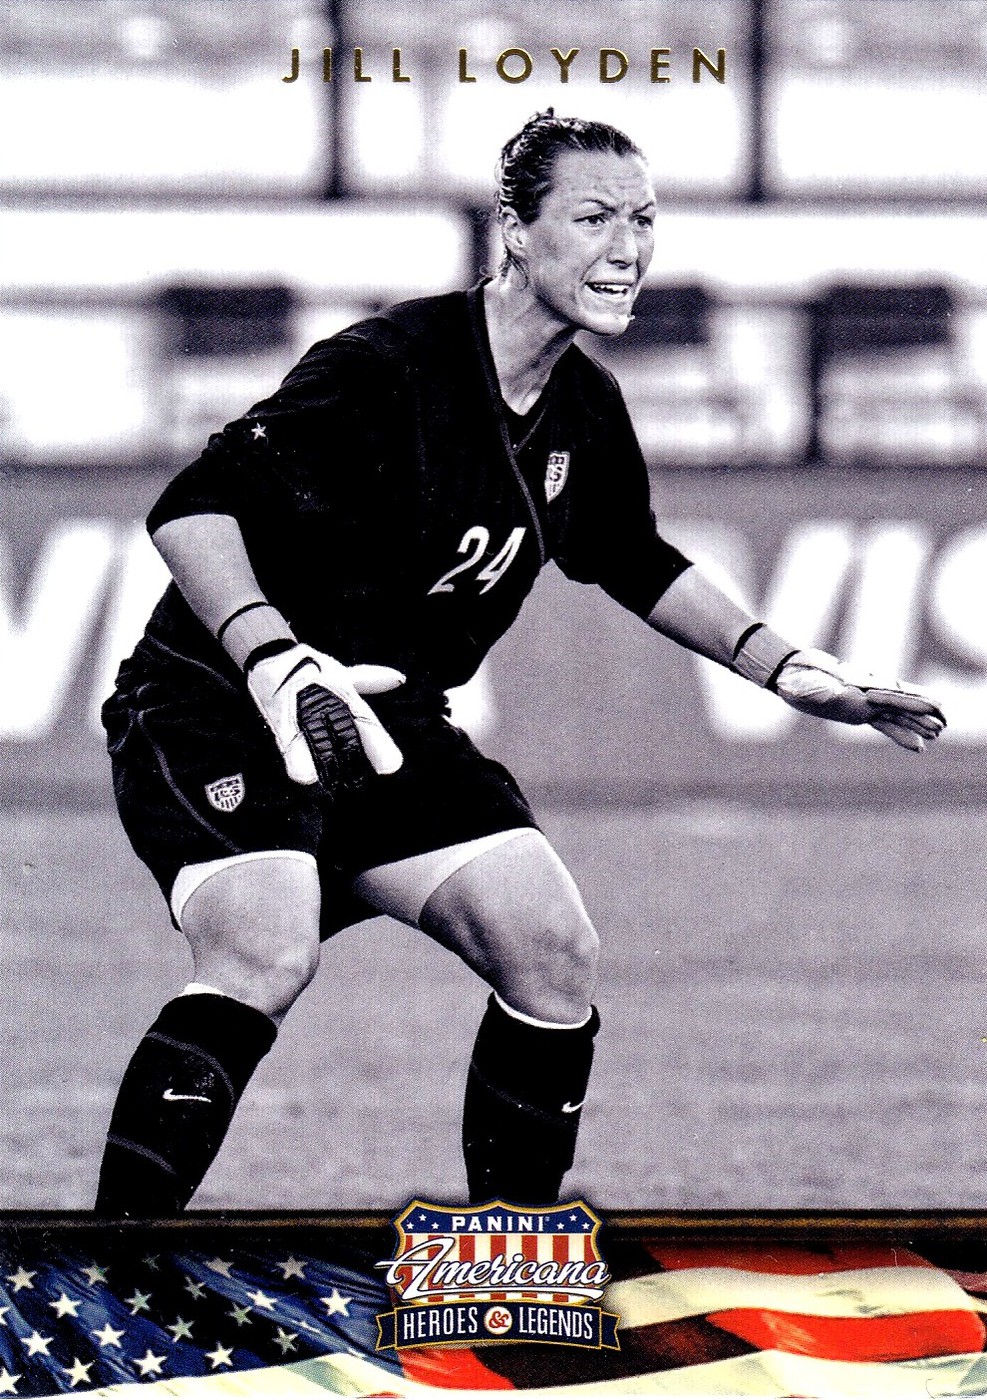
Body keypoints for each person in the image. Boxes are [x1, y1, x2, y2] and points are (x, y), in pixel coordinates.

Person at [95, 111, 945, 1216]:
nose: (627, 248)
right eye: (592, 219)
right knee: (265, 946)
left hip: (386, 730)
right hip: (216, 704)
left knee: (551, 949)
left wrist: (787, 669)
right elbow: (193, 507)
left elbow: (633, 554)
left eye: (643, 220)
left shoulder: (583, 408)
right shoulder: (388, 365)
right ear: (515, 233)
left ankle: (511, 1260)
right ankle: (110, 1271)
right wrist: (272, 660)